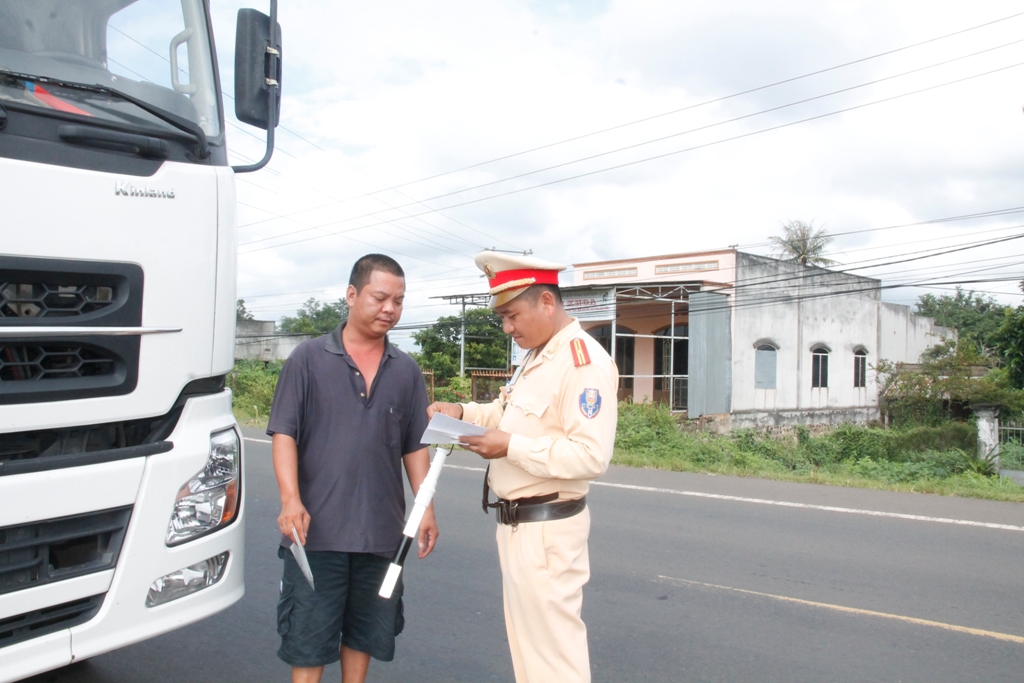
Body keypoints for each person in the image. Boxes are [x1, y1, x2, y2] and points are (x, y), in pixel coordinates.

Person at [428, 251, 618, 683]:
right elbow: (505, 413)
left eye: (512, 315)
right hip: (519, 525)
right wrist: (460, 411)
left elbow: (590, 455)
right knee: (531, 655)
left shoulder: (583, 362)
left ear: (546, 303)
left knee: (554, 658)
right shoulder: (538, 356)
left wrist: (509, 447)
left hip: (547, 530)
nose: (507, 328)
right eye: (503, 318)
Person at [268, 254, 439, 683]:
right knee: (308, 641)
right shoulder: (307, 359)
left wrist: (425, 507)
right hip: (315, 533)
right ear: (351, 294)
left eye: (399, 301)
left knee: (363, 638)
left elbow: (415, 445)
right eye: (380, 298)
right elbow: (284, 433)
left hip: (381, 536)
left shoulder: (406, 370)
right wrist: (290, 500)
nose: (390, 309)